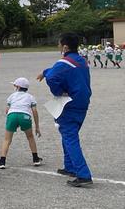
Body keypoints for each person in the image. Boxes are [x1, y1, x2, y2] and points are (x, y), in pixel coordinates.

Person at [37, 32, 93, 187]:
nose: (58, 46)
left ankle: (83, 174)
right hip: (82, 103)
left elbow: (54, 77)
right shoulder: (81, 60)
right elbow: (60, 71)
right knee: (68, 134)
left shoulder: (63, 62)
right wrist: (46, 71)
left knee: (70, 138)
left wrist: (58, 92)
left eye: (59, 43)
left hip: (70, 104)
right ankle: (70, 167)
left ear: (65, 47)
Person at [0, 77, 42, 169]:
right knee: (30, 137)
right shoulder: (30, 97)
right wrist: (37, 126)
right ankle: (35, 159)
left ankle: (2, 161)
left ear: (17, 87)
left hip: (12, 115)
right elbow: (34, 111)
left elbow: (7, 110)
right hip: (25, 116)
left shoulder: (12, 96)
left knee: (7, 139)